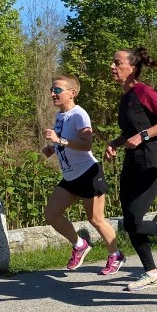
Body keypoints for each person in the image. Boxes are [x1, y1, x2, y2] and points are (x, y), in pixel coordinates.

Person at [104, 47, 157, 292]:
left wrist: (142, 136)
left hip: (150, 162)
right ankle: (151, 273)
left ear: (132, 68)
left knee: (133, 220)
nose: (112, 66)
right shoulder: (125, 97)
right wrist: (115, 143)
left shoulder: (144, 91)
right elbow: (129, 132)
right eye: (113, 62)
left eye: (117, 62)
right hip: (131, 163)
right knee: (129, 222)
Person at [42, 74, 123, 274]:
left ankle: (115, 254)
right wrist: (53, 148)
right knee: (51, 214)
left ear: (72, 93)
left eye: (58, 90)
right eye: (52, 90)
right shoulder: (60, 115)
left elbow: (87, 144)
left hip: (88, 173)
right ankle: (80, 244)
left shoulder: (79, 114)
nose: (53, 93)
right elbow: (67, 141)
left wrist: (59, 141)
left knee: (96, 219)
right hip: (71, 176)